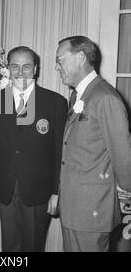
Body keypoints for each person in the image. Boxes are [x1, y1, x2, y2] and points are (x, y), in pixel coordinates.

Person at [56, 35, 131, 252]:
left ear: (80, 57)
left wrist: (126, 194)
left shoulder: (104, 97)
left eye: (60, 60)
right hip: (76, 206)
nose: (56, 67)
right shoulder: (80, 96)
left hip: (91, 209)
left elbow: (123, 157)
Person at [0, 46, 67, 252]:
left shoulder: (55, 103)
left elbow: (60, 152)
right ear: (7, 69)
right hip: (5, 188)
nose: (20, 72)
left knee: (33, 246)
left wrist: (56, 191)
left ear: (35, 69)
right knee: (9, 245)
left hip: (39, 190)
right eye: (15, 66)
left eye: (26, 66)